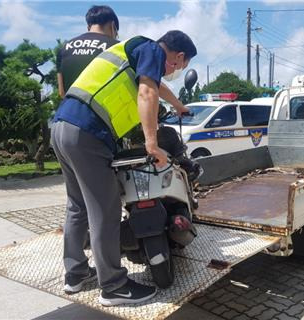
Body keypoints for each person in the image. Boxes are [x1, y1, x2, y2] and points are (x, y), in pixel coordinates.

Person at [51, 30, 197, 306]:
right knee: (104, 209)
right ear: (178, 56)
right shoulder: (153, 50)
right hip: (88, 132)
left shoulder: (135, 50)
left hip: (62, 126)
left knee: (77, 206)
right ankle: (114, 286)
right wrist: (153, 145)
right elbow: (147, 91)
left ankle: (76, 274)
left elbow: (156, 86)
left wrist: (178, 105)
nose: (174, 71)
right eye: (179, 66)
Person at [57, 5, 120, 97]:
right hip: (104, 108)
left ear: (88, 27)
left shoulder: (64, 48)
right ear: (112, 25)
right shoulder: (117, 47)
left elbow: (61, 92)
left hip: (71, 108)